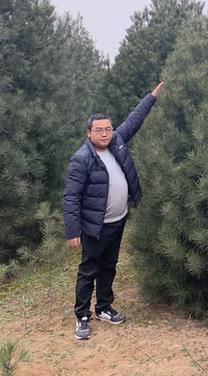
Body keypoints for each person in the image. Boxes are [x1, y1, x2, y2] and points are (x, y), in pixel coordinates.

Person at [63, 82, 164, 340]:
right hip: (95, 226)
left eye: (108, 128)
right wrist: (72, 229)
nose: (105, 133)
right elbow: (72, 196)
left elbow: (134, 119)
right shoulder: (81, 159)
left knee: (109, 265)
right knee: (89, 269)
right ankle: (82, 316)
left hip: (117, 221)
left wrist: (151, 97)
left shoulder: (117, 142)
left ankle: (104, 307)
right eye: (99, 130)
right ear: (89, 133)